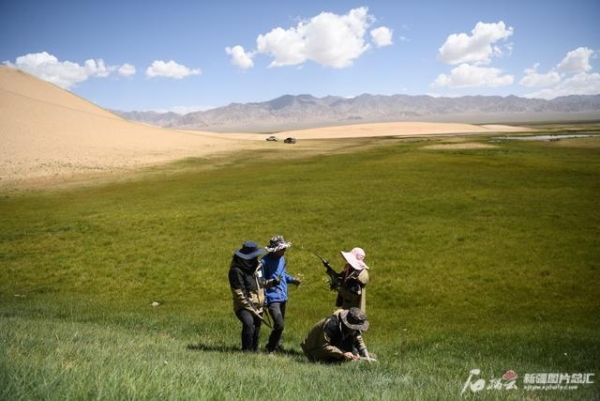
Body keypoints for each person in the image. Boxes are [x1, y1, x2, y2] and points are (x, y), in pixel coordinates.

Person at [228, 240, 278, 352]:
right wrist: (253, 308)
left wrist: (272, 282)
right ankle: (246, 350)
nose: (256, 258)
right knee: (249, 323)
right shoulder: (235, 271)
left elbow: (261, 283)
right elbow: (240, 294)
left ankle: (254, 350)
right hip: (243, 306)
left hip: (258, 305)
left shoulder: (257, 267)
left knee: (257, 328)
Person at [260, 235, 302, 354]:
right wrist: (265, 300)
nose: (284, 250)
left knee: (279, 325)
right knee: (279, 325)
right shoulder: (263, 262)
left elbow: (283, 276)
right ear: (275, 249)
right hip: (272, 299)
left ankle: (276, 345)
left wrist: (293, 280)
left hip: (283, 297)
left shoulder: (282, 259)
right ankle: (270, 348)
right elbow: (260, 282)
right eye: (282, 249)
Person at [300, 307, 371, 363]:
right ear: (348, 325)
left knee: (354, 354)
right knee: (343, 360)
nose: (358, 330)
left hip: (334, 344)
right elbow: (324, 346)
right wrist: (343, 353)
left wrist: (365, 354)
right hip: (314, 349)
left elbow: (358, 338)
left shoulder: (350, 327)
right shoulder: (332, 325)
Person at [325, 247, 370, 312]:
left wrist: (338, 288)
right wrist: (329, 269)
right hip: (346, 305)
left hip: (353, 310)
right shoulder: (349, 269)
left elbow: (351, 296)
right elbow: (339, 278)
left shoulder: (356, 278)